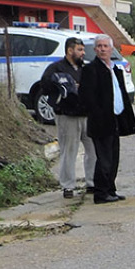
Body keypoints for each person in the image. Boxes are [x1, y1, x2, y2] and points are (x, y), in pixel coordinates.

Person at [79, 34, 135, 204]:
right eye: (99, 46)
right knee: (104, 158)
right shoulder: (91, 70)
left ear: (111, 49)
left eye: (105, 46)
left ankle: (110, 189)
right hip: (101, 121)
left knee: (113, 157)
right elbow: (86, 97)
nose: (103, 49)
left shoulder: (115, 69)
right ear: (95, 49)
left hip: (116, 119)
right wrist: (98, 113)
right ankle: (101, 193)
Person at [40, 37, 95, 199]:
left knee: (93, 151)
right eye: (80, 50)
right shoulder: (55, 69)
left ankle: (92, 183)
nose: (83, 53)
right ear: (70, 50)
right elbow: (45, 87)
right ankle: (68, 186)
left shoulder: (85, 68)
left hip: (87, 115)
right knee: (69, 152)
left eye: (83, 50)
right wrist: (62, 89)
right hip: (67, 116)